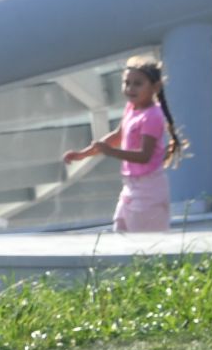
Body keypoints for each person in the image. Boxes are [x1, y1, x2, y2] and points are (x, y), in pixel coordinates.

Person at [65, 54, 187, 232]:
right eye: (126, 82)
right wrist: (83, 154)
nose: (130, 88)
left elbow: (145, 156)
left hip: (148, 189)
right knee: (120, 231)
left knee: (145, 244)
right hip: (130, 186)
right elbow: (118, 135)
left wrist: (110, 152)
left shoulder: (151, 116)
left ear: (155, 87)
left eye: (138, 83)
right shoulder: (131, 108)